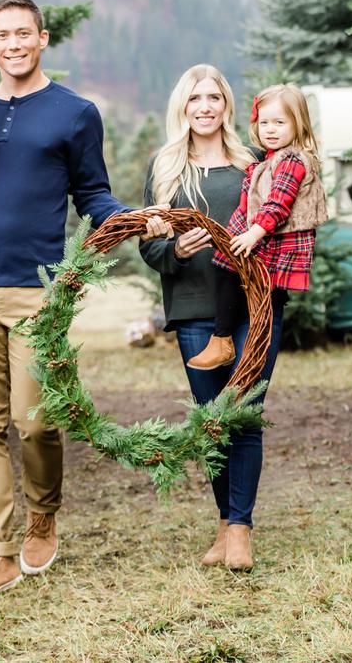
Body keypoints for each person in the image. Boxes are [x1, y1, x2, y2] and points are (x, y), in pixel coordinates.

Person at [0, 0, 170, 604]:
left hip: (37, 293)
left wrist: (137, 220)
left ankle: (43, 513)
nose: (13, 44)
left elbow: (93, 194)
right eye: (1, 35)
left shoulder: (74, 113)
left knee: (34, 423)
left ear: (42, 38)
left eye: (22, 33)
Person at [139, 64, 290, 571]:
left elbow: (283, 223)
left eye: (214, 97)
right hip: (194, 311)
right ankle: (225, 523)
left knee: (245, 412)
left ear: (227, 105)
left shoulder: (254, 163)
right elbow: (149, 247)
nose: (204, 107)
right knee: (212, 421)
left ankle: (241, 529)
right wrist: (175, 249)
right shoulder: (166, 168)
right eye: (194, 98)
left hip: (254, 307)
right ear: (181, 106)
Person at [187, 83, 328, 371]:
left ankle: (224, 339)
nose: (270, 130)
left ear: (298, 124)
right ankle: (224, 340)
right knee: (230, 270)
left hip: (271, 240)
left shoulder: (291, 160)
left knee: (233, 269)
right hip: (258, 234)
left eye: (279, 123)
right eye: (264, 123)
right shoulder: (270, 159)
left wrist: (253, 233)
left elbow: (278, 203)